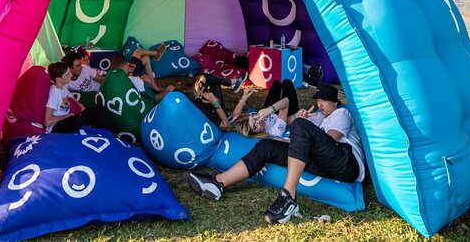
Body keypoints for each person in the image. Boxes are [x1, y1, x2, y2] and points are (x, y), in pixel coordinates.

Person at [187, 83, 365, 224]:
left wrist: (300, 128)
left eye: (324, 101)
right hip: (323, 163)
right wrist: (299, 122)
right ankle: (218, 183)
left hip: (345, 162)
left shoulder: (342, 113)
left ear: (335, 102)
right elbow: (300, 131)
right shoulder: (320, 116)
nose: (319, 104)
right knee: (267, 146)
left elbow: (330, 140)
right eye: (318, 100)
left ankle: (289, 197)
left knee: (299, 126)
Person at [44, 61, 108, 133]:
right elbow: (48, 122)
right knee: (96, 110)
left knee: (94, 110)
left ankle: (101, 133)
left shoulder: (63, 89)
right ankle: (108, 135)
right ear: (58, 79)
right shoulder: (54, 93)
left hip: (68, 119)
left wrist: (82, 109)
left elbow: (76, 102)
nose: (71, 76)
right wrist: (68, 116)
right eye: (67, 74)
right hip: (56, 127)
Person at [231, 79, 299, 138]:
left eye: (253, 117)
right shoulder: (274, 132)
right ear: (255, 134)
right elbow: (285, 102)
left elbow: (235, 115)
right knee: (287, 83)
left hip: (268, 112)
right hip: (283, 115)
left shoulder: (246, 122)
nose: (258, 121)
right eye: (255, 126)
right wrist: (270, 110)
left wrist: (244, 97)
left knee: (276, 84)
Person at [109, 54, 174, 101]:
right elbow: (154, 98)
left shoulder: (108, 80)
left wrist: (130, 73)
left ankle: (155, 87)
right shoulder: (136, 81)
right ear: (127, 66)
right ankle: (156, 87)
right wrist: (167, 91)